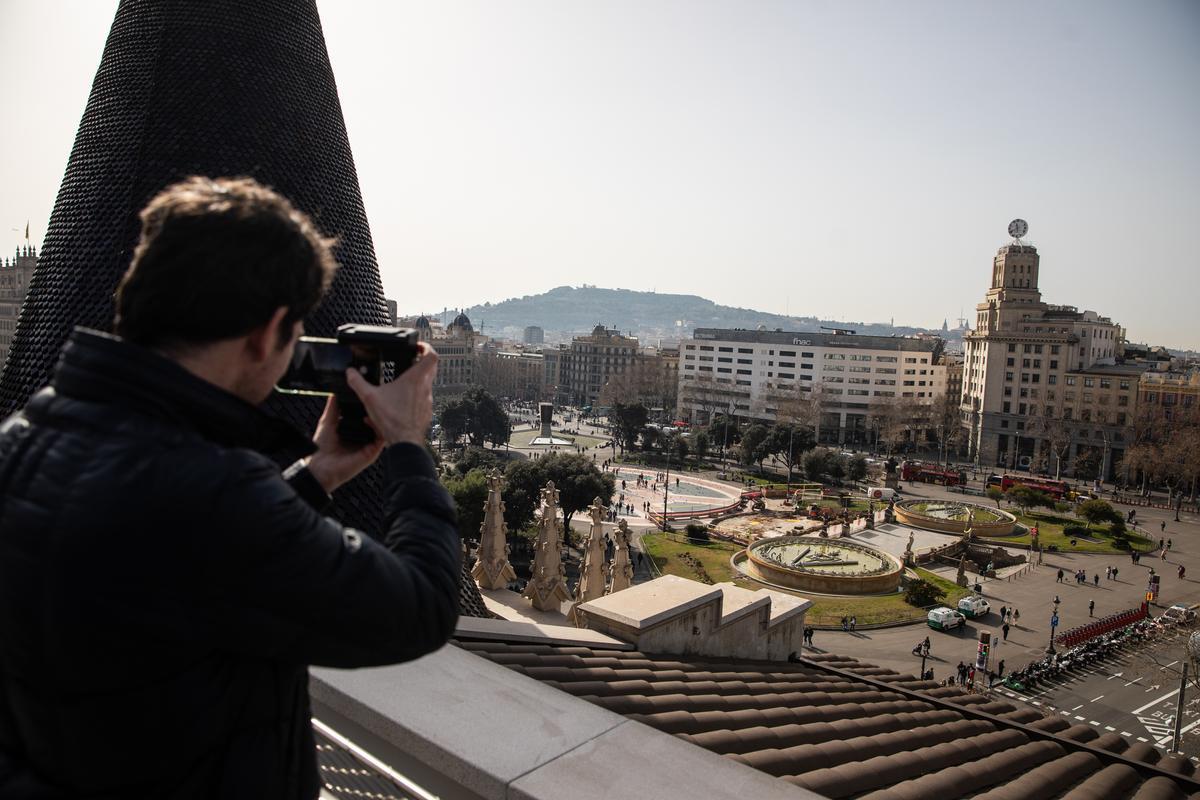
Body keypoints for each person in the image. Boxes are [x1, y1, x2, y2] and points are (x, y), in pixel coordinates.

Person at [0, 178, 460, 798]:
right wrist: (407, 444)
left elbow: (186, 564)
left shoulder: (25, 435)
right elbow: (422, 607)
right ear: (268, 333)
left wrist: (320, 470)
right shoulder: (211, 493)